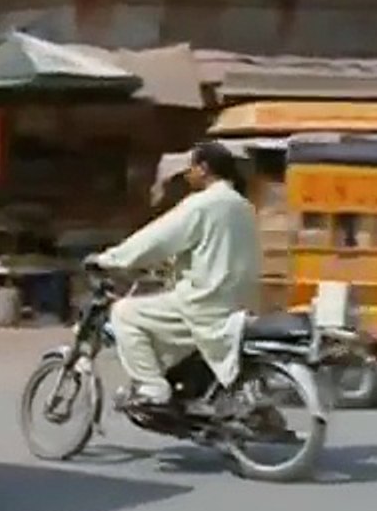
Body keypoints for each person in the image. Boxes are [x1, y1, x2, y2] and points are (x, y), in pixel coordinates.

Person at [88, 141, 260, 408]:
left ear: (203, 168)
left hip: (203, 302)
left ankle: (152, 387)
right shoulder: (243, 206)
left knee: (124, 312)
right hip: (236, 301)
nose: (187, 174)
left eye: (190, 167)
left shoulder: (203, 204)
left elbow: (156, 238)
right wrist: (171, 263)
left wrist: (109, 259)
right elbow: (213, 249)